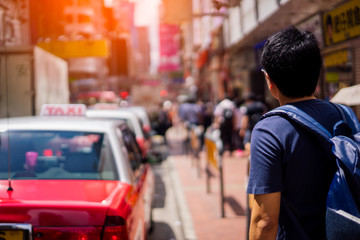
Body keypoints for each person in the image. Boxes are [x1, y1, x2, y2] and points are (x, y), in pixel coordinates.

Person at [246, 26, 356, 239]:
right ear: (317, 71)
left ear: (269, 80)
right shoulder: (345, 114)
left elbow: (264, 221)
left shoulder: (269, 130)